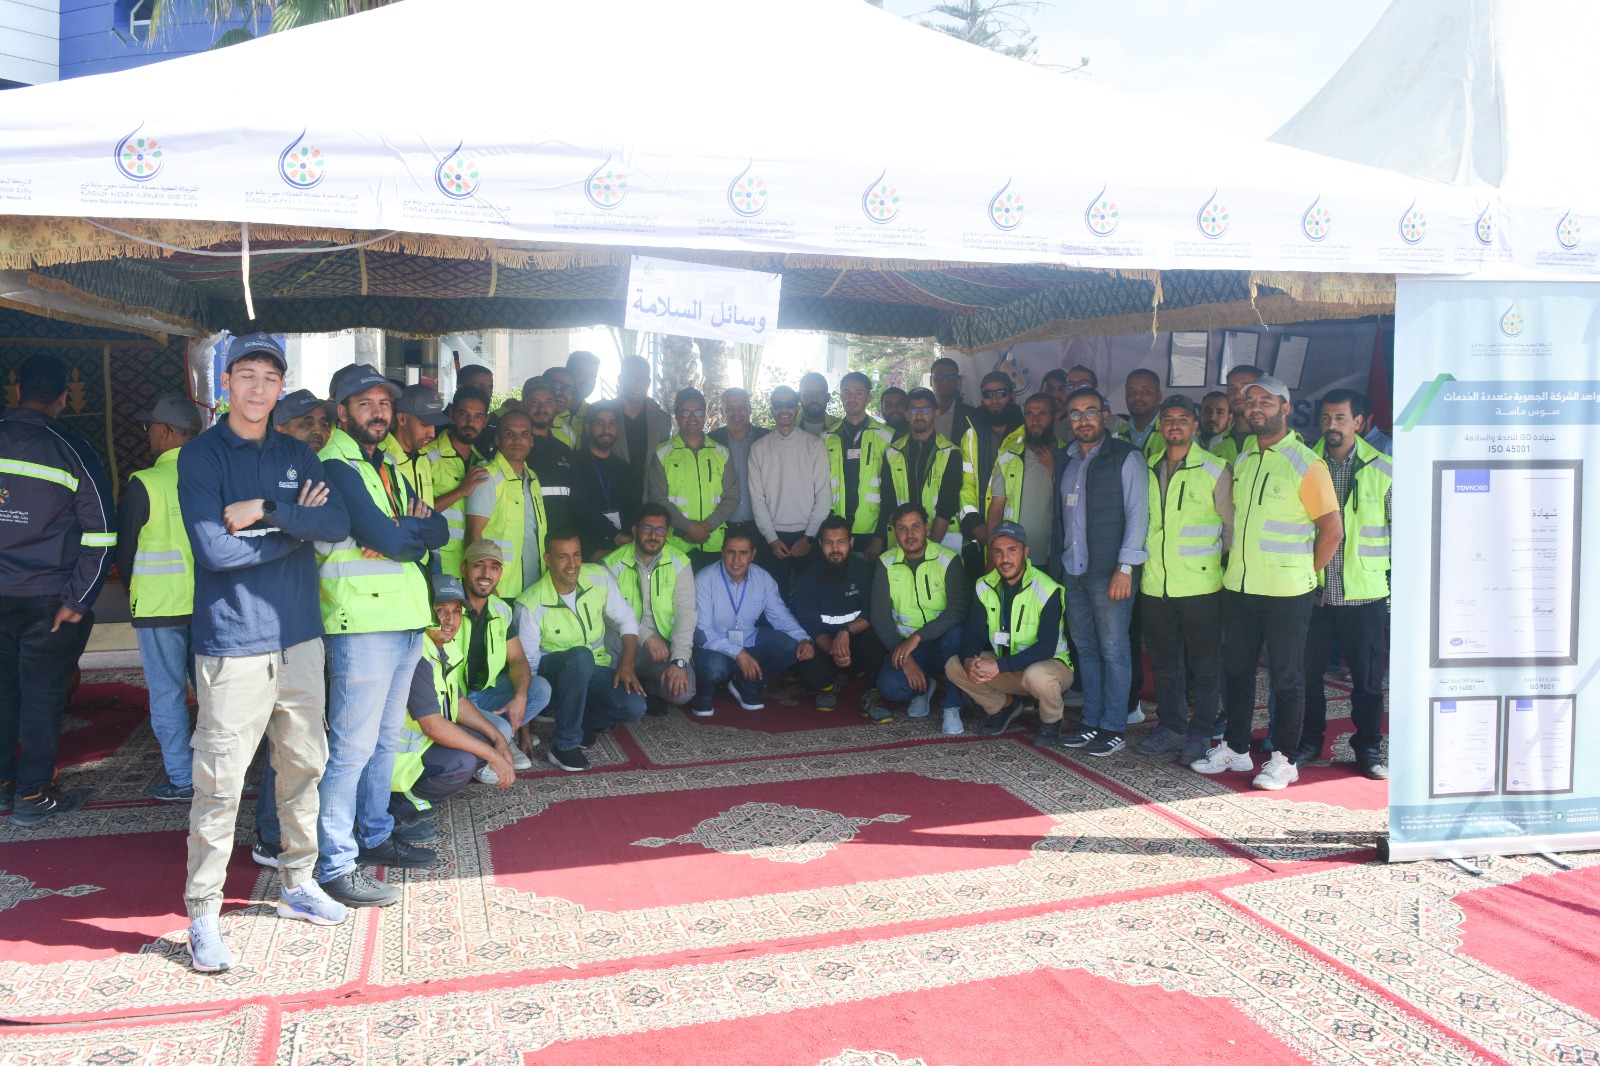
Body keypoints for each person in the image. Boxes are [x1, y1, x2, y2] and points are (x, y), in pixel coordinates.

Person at [177, 334, 351, 972]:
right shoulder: (200, 457)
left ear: (281, 388)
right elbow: (215, 553)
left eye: (269, 378)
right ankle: (203, 915)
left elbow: (334, 525)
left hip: (299, 636)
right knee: (220, 785)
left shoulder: (296, 454)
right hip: (233, 643)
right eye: (245, 375)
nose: (257, 388)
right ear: (227, 384)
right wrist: (292, 533)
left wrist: (268, 511)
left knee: (303, 765)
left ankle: (298, 883)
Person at [312, 362, 450, 907]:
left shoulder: (386, 462)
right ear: (341, 411)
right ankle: (334, 861)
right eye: (364, 403)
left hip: (404, 617)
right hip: (361, 621)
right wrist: (398, 534)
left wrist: (401, 533)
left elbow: (432, 529)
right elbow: (384, 537)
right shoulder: (336, 463)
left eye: (385, 404)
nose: (378, 412)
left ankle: (373, 837)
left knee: (384, 741)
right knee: (350, 748)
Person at [1194, 376, 1342, 791]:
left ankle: (1285, 759)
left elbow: (1332, 529)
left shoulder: (1305, 463)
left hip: (1287, 592)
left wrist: (1307, 575)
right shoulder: (1244, 459)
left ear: (1285, 408)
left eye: (1266, 400)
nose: (1256, 406)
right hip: (1240, 589)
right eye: (1250, 400)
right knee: (1237, 671)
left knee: (1286, 678)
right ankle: (1237, 749)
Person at [0, 351, 115, 826]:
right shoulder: (72, 449)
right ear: (65, 398)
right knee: (43, 697)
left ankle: (5, 785)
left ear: (16, 391)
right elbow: (103, 534)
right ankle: (31, 796)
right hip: (51, 601)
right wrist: (79, 600)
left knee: (4, 692)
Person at [1050, 388, 1147, 758]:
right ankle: (1091, 721)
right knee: (1086, 650)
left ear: (1105, 415)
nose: (1083, 420)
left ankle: (1113, 726)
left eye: (1090, 412)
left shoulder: (1127, 457)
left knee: (1114, 650)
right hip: (1073, 572)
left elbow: (1139, 516)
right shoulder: (1067, 460)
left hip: (1111, 573)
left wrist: (1125, 567)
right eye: (1075, 414)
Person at [1137, 396, 1234, 764]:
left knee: (1205, 664)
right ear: (1161, 427)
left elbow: (1231, 529)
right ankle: (1173, 726)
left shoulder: (1214, 468)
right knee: (1164, 662)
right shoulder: (1148, 467)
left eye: (1183, 419)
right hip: (1156, 586)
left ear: (1195, 426)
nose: (1174, 425)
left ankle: (1201, 731)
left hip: (1202, 587)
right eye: (1168, 419)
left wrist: (1217, 571)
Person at [1302, 389, 1391, 779]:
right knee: (1305, 676)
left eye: (1340, 418)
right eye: (1325, 418)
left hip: (1365, 594)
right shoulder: (1304, 464)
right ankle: (1307, 741)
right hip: (1312, 591)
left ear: (1359, 422)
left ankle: (1369, 746)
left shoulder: (1384, 469)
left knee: (1368, 681)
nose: (1331, 425)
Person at [118, 391, 202, 802]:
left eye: (150, 425)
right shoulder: (211, 477)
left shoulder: (145, 483)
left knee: (167, 694)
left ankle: (182, 779)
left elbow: (126, 549)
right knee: (214, 695)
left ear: (167, 432)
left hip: (158, 608)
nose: (147, 432)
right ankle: (221, 773)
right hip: (208, 606)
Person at [390, 575, 516, 834]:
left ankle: (417, 796)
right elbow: (433, 726)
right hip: (396, 760)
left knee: (491, 737)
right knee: (463, 762)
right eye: (440, 611)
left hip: (423, 745)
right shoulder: (416, 653)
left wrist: (497, 738)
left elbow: (458, 701)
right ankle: (398, 810)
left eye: (456, 612)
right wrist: (491, 754)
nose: (450, 620)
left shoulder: (441, 647)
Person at [516, 527, 647, 771]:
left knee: (635, 705)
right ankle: (564, 747)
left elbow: (627, 619)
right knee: (580, 657)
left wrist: (627, 665)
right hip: (551, 684)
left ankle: (576, 721)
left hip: (593, 671)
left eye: (576, 555)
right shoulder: (530, 605)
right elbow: (525, 668)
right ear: (547, 559)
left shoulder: (598, 577)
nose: (572, 563)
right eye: (562, 556)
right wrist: (524, 728)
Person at [948, 522, 1074, 743]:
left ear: (1025, 552)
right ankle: (1006, 705)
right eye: (998, 551)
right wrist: (969, 660)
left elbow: (1046, 647)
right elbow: (973, 633)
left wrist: (998, 666)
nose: (1005, 558)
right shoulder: (984, 586)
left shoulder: (1047, 589)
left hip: (1051, 667)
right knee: (954, 666)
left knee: (1037, 674)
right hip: (1009, 667)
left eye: (1012, 550)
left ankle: (1052, 720)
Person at [691, 528, 814, 715]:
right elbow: (702, 632)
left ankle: (746, 686)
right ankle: (704, 696)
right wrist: (738, 653)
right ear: (722, 551)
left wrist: (804, 638)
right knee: (713, 667)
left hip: (748, 638)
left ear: (753, 554)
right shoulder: (704, 580)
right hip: (715, 646)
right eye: (731, 552)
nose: (736, 560)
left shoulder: (763, 578)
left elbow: (780, 616)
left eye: (743, 553)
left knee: (791, 646)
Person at [871, 503, 969, 731]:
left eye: (915, 526)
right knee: (890, 688)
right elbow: (879, 617)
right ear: (894, 531)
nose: (909, 534)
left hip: (944, 642)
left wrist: (917, 637)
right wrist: (906, 657)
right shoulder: (886, 562)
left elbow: (959, 609)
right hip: (908, 646)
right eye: (902, 528)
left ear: (926, 527)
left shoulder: (948, 559)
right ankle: (925, 688)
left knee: (958, 633)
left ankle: (951, 706)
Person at [458, 540, 548, 768]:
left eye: (494, 567)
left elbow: (517, 659)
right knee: (501, 728)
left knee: (540, 689)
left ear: (500, 573)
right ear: (463, 568)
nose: (486, 574)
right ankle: (491, 744)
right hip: (453, 699)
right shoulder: (448, 605)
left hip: (484, 695)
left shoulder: (500, 608)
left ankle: (495, 736)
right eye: (479, 565)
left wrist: (520, 697)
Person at [791, 514, 888, 720]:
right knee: (808, 667)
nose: (835, 549)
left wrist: (846, 631)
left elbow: (874, 611)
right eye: (829, 542)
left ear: (851, 542)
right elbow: (812, 625)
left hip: (858, 642)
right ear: (820, 544)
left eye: (841, 542)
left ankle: (871, 692)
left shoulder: (865, 571)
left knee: (878, 633)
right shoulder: (806, 578)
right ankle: (831, 682)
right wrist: (834, 650)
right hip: (827, 647)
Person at [603, 504, 697, 715]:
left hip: (663, 646)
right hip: (626, 641)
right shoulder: (612, 564)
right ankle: (612, 700)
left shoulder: (679, 562)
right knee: (606, 641)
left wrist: (679, 660)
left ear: (667, 533)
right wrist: (645, 636)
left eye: (660, 530)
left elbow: (686, 613)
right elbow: (608, 614)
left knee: (683, 692)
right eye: (647, 529)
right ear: (635, 530)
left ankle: (651, 687)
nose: (654, 536)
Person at [748, 384, 831, 595]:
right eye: (778, 404)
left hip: (809, 536)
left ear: (797, 408)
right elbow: (757, 500)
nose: (783, 409)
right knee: (775, 601)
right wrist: (771, 538)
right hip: (773, 538)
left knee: (811, 598)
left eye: (789, 404)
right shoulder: (758, 448)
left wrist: (810, 537)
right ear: (772, 409)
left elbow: (823, 495)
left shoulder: (814, 445)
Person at [649, 387, 739, 571]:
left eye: (698, 412)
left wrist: (706, 528)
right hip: (677, 544)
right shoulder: (662, 453)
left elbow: (732, 496)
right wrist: (689, 528)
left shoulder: (721, 452)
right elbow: (658, 497)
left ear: (705, 414)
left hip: (713, 544)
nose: (692, 417)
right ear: (676, 415)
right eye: (686, 412)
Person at [464, 410, 546, 599]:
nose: (518, 440)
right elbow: (472, 534)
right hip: (501, 589)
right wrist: (489, 588)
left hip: (535, 585)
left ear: (531, 441)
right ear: (498, 439)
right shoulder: (487, 477)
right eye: (510, 434)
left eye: (524, 434)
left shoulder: (532, 478)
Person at [423, 386, 493, 579]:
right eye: (464, 414)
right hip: (436, 562)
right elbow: (414, 512)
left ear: (486, 421)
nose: (470, 423)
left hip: (471, 565)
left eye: (478, 417)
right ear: (452, 413)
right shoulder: (427, 456)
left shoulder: (483, 463)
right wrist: (460, 491)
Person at [879, 387, 962, 548]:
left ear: (936, 413)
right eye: (913, 410)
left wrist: (929, 547)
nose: (919, 415)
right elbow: (888, 501)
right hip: (902, 542)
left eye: (925, 409)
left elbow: (947, 505)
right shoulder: (892, 452)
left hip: (941, 541)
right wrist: (907, 539)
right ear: (907, 415)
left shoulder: (951, 453)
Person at [824, 372, 894, 556]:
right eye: (846, 393)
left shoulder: (887, 437)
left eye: (858, 393)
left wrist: (879, 537)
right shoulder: (827, 438)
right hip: (835, 529)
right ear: (840, 397)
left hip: (871, 530)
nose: (851, 398)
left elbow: (891, 492)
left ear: (868, 397)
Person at [958, 371, 1024, 563]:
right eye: (988, 394)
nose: (994, 399)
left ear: (1012, 396)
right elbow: (964, 485)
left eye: (1001, 393)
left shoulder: (1027, 432)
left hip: (1016, 536)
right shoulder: (971, 434)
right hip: (977, 536)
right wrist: (976, 525)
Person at [981, 393, 1058, 556]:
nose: (1035, 420)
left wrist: (1054, 466)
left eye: (1042, 414)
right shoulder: (1009, 455)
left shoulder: (1069, 454)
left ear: (1054, 417)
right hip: (1012, 557)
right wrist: (991, 555)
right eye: (1030, 414)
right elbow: (996, 509)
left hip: (1054, 556)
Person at [571, 402, 639, 560]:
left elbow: (633, 508)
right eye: (600, 423)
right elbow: (577, 508)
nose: (606, 429)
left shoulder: (625, 469)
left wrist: (625, 542)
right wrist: (613, 535)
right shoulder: (574, 463)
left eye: (612, 424)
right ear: (588, 428)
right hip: (585, 552)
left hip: (621, 552)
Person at [707, 386, 769, 548]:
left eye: (741, 408)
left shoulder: (767, 438)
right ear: (722, 411)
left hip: (762, 526)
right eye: (730, 409)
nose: (736, 413)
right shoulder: (710, 441)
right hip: (722, 525)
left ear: (749, 409)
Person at [384, 384, 452, 513]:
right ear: (402, 418)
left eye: (434, 425)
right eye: (424, 424)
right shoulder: (380, 458)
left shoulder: (423, 458)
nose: (432, 433)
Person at [522, 378, 578, 533]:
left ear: (555, 406)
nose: (542, 408)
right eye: (534, 402)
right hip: (524, 535)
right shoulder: (515, 449)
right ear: (524, 405)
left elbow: (576, 500)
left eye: (548, 402)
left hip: (558, 536)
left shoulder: (564, 450)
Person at [614, 354, 673, 495]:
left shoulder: (662, 420)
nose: (637, 384)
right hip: (612, 499)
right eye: (631, 378)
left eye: (643, 379)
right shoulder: (603, 414)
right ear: (620, 379)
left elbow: (662, 464)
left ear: (649, 382)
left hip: (649, 501)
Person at [929, 357, 978, 446]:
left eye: (951, 377)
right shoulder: (920, 413)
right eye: (939, 377)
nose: (945, 381)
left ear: (957, 382)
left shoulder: (972, 415)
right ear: (930, 381)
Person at [1221, 364, 1265, 460]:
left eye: (1245, 388)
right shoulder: (1217, 442)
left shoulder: (1273, 440)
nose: (1237, 394)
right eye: (1232, 388)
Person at [541, 366, 580, 448]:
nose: (564, 393)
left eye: (569, 390)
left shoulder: (570, 434)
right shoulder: (518, 421)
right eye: (557, 386)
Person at [1198, 390, 1236, 463]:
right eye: (1207, 411)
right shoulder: (1189, 441)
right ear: (1200, 413)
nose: (1212, 417)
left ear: (1230, 417)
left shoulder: (1235, 445)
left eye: (1220, 412)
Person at [798, 372, 837, 437]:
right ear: (799, 397)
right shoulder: (788, 427)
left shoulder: (841, 427)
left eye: (819, 393)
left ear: (827, 397)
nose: (814, 399)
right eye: (808, 393)